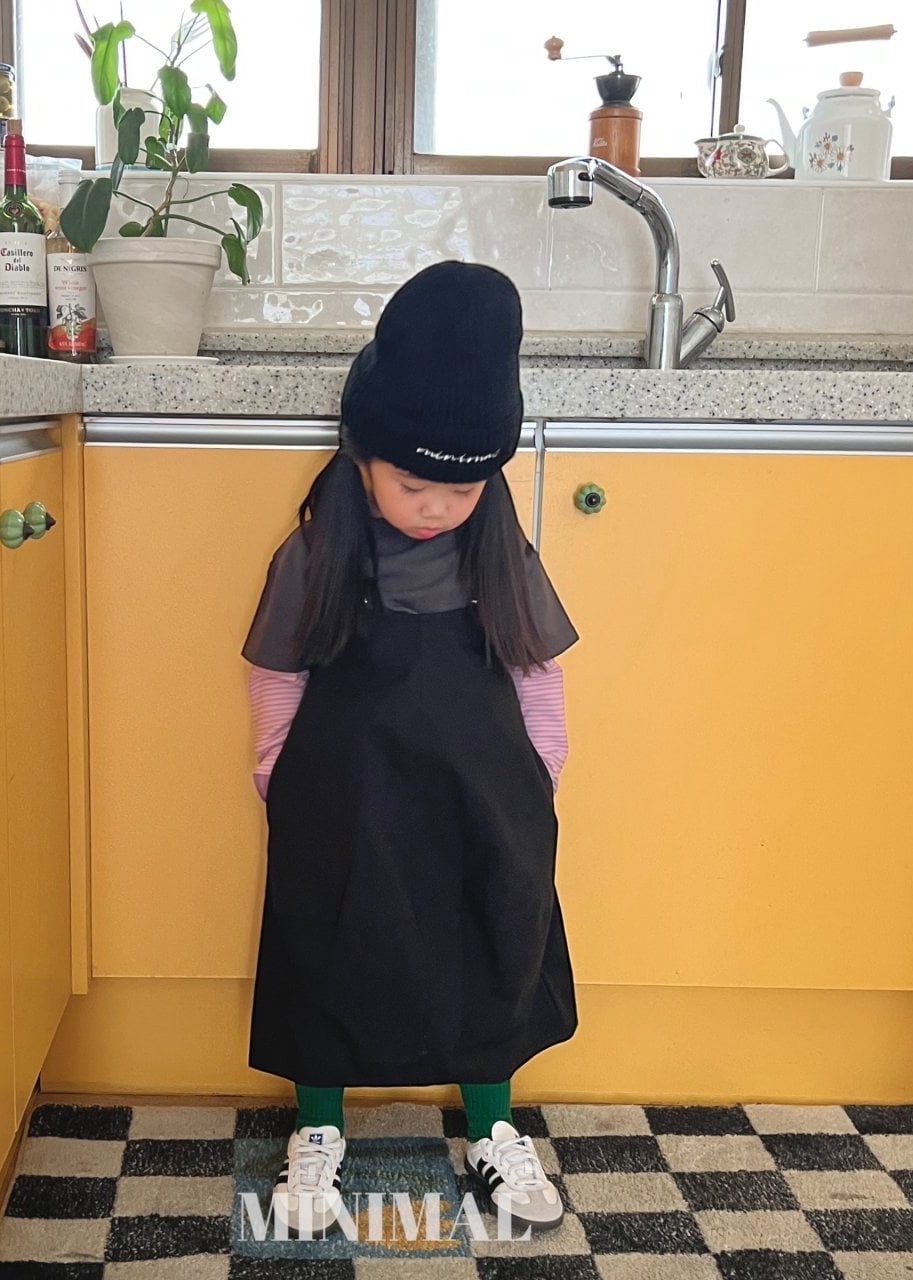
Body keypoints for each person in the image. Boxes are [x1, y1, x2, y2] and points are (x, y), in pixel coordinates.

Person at [241, 260, 579, 1238]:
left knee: (493, 935)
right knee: (325, 939)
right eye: (412, 485)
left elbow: (538, 671)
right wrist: (277, 772)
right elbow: (276, 672)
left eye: (461, 489)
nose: (434, 508)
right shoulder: (317, 552)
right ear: (361, 457)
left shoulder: (498, 554)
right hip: (343, 798)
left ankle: (494, 1124)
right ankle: (317, 1125)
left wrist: (540, 772)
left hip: (485, 798)